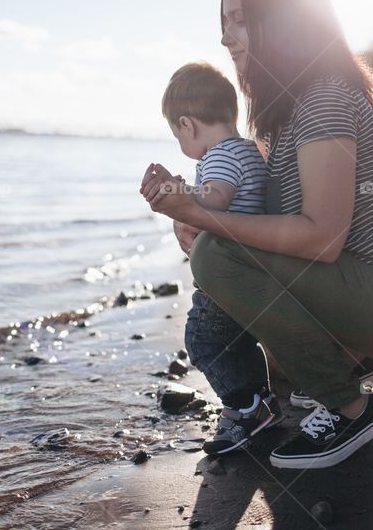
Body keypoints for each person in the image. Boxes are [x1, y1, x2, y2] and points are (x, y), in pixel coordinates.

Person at [141, 0, 373, 470]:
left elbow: (321, 239)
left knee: (218, 258)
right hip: (368, 290)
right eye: (223, 24)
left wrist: (211, 227)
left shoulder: (323, 100)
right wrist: (194, 212)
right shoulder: (282, 117)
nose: (226, 38)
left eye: (239, 20)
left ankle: (351, 408)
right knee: (222, 256)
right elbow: (262, 221)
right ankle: (348, 361)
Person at [160, 61, 282, 455]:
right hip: (254, 272)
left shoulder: (218, 157)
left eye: (175, 133)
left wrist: (181, 198)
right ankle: (259, 401)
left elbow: (217, 199)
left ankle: (247, 408)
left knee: (204, 340)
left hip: (229, 276)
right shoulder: (248, 151)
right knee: (238, 340)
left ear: (187, 125)